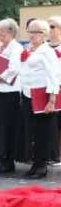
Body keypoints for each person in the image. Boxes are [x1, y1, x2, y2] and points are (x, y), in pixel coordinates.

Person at [17, 19, 60, 179]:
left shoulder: (47, 51)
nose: (31, 35)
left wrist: (52, 100)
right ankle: (35, 163)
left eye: (35, 32)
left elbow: (53, 75)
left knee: (42, 132)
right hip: (29, 95)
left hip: (42, 96)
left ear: (44, 34)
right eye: (30, 31)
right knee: (32, 131)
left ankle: (42, 165)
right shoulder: (29, 50)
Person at [0, 18, 23, 173]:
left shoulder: (17, 48)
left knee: (8, 127)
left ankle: (8, 160)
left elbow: (14, 68)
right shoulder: (0, 48)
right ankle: (1, 157)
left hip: (10, 93)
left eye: (2, 31)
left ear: (10, 32)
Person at [47, 16, 61, 163]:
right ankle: (52, 153)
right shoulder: (43, 48)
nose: (49, 30)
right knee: (50, 121)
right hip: (47, 88)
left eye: (52, 27)